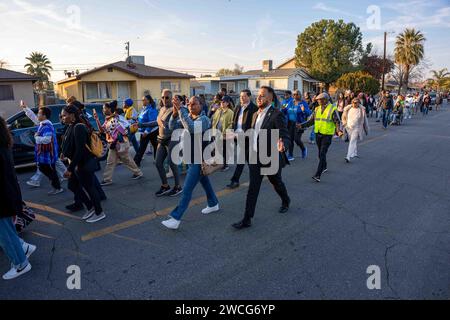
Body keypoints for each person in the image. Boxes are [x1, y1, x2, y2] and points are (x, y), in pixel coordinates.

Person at [232, 86, 291, 230]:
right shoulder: (255, 115)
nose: (259, 98)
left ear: (270, 98)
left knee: (276, 182)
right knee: (253, 188)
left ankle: (285, 200)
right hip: (255, 157)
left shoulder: (276, 114)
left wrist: (283, 144)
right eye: (258, 95)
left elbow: (285, 135)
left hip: (270, 158)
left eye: (263, 95)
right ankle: (247, 219)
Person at [161, 96, 219, 230]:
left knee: (186, 190)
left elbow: (192, 128)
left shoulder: (204, 119)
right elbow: (171, 127)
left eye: (194, 104)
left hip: (199, 159)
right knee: (204, 181)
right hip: (190, 157)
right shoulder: (188, 117)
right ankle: (213, 203)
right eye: (189, 104)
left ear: (201, 105)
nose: (191, 106)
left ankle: (176, 217)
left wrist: (181, 110)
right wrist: (175, 114)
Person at [0, 116, 37, 280]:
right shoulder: (4, 144)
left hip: (3, 196)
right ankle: (23, 247)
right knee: (6, 229)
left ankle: (21, 264)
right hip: (7, 195)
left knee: (4, 234)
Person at [61, 105, 106, 223]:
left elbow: (80, 150)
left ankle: (99, 212)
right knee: (72, 186)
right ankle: (90, 207)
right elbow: (69, 143)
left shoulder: (79, 127)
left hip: (83, 163)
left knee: (90, 188)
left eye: (64, 115)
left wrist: (70, 169)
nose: (62, 117)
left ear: (72, 115)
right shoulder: (71, 126)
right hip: (77, 164)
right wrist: (63, 153)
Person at [93, 101, 143, 186]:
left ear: (109, 109)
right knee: (112, 161)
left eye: (104, 108)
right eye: (102, 109)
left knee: (126, 160)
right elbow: (102, 130)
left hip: (120, 143)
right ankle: (107, 179)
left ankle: (138, 173)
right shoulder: (108, 119)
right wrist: (97, 119)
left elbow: (123, 131)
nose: (103, 110)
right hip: (115, 144)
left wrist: (116, 142)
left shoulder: (116, 118)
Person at [21, 103, 67, 189]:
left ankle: (57, 184)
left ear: (44, 116)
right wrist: (25, 108)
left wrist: (36, 137)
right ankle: (63, 177)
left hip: (48, 152)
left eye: (39, 113)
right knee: (50, 167)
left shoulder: (46, 126)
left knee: (46, 168)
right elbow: (34, 118)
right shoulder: (42, 123)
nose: (37, 115)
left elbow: (47, 139)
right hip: (48, 152)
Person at [300, 93, 343, 183]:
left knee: (322, 153)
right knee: (320, 153)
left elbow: (337, 121)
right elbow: (311, 121)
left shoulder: (332, 108)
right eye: (318, 100)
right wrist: (301, 125)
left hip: (327, 135)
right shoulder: (317, 109)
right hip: (318, 133)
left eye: (321, 100)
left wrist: (338, 130)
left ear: (326, 100)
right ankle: (325, 166)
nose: (319, 101)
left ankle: (318, 175)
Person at [154, 90, 183, 197]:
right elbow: (158, 121)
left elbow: (170, 120)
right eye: (163, 97)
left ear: (171, 98)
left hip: (172, 138)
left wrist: (177, 106)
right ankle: (165, 186)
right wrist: (141, 125)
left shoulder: (174, 109)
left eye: (167, 97)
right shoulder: (161, 109)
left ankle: (177, 187)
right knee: (158, 163)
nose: (165, 99)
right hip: (161, 139)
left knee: (172, 163)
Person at [227, 89, 257, 189]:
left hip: (247, 138)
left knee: (242, 159)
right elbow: (234, 121)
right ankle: (259, 174)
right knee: (248, 160)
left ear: (249, 97)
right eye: (240, 96)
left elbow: (254, 125)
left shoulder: (254, 108)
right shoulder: (238, 106)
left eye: (243, 96)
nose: (241, 98)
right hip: (237, 137)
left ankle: (235, 180)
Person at [133, 95, 159, 167]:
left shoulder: (152, 109)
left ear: (148, 100)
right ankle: (136, 164)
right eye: (142, 100)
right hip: (144, 131)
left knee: (154, 147)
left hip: (152, 131)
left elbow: (152, 122)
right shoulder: (144, 108)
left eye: (144, 100)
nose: (142, 101)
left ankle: (136, 165)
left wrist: (146, 132)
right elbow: (141, 118)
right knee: (142, 148)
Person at [342, 98, 369, 163]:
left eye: (356, 102)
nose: (354, 104)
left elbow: (365, 120)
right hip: (348, 127)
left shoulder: (361, 110)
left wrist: (366, 129)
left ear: (359, 103)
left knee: (352, 141)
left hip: (357, 128)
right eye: (353, 102)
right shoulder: (348, 109)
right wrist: (344, 124)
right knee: (352, 140)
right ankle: (354, 152)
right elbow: (343, 117)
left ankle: (348, 156)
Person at [212, 95, 234, 172]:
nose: (221, 103)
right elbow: (214, 120)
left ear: (227, 103)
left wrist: (226, 132)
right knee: (217, 149)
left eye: (223, 102)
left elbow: (232, 123)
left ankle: (226, 165)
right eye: (221, 101)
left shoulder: (230, 112)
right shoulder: (218, 110)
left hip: (224, 134)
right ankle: (219, 163)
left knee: (225, 150)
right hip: (217, 133)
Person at [289, 90, 311, 160]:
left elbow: (309, 113)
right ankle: (290, 155)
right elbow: (286, 110)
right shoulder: (291, 102)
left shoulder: (303, 103)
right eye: (294, 94)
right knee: (290, 139)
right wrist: (283, 110)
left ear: (300, 95)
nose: (295, 96)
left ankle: (303, 149)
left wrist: (304, 110)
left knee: (297, 139)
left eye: (296, 94)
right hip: (290, 123)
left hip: (299, 124)